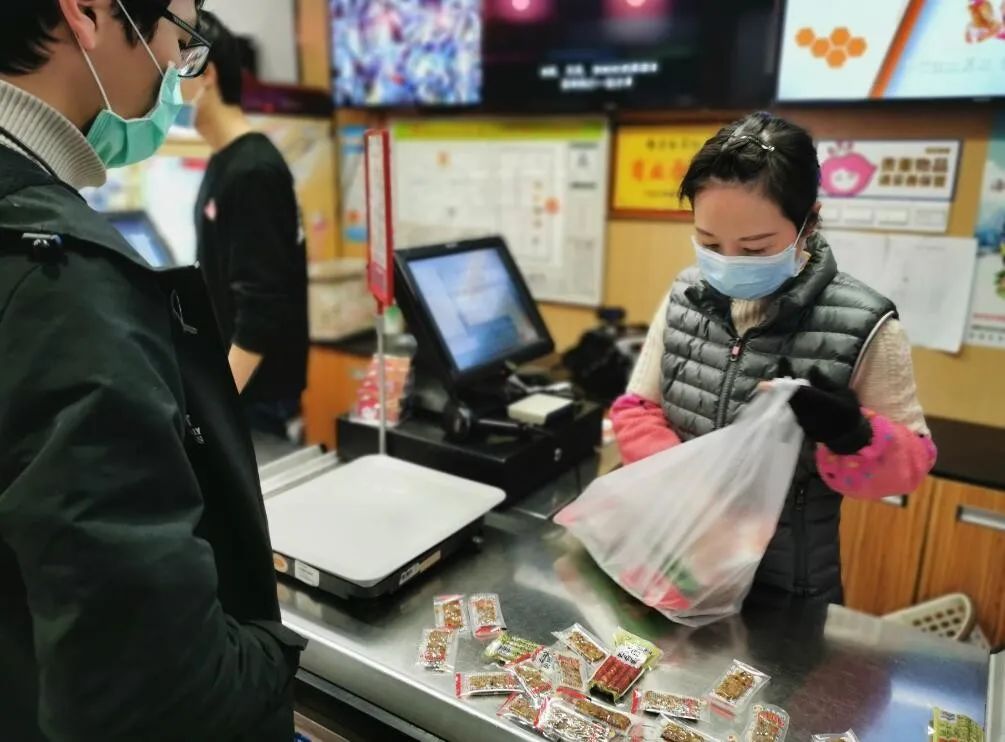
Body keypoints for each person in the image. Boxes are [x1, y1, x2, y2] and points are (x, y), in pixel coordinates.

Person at [0, 2, 305, 739]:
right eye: (178, 36)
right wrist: (270, 645)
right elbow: (154, 686)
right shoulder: (58, 278)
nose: (177, 66)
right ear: (87, 13)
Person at [611, 112, 937, 603]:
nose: (728, 261)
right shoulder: (686, 293)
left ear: (809, 221)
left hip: (784, 590)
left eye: (755, 247)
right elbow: (636, 411)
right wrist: (689, 487)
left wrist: (852, 434)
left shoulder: (866, 323)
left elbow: (910, 466)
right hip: (674, 562)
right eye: (709, 243)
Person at [182, 11, 309, 442]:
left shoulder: (254, 170)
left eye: (173, 76)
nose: (165, 94)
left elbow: (261, 305)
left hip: (259, 400)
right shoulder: (225, 161)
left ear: (207, 75)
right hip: (241, 392)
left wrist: (217, 404)